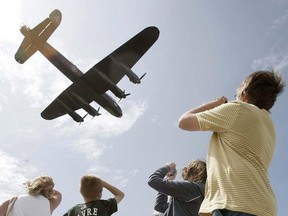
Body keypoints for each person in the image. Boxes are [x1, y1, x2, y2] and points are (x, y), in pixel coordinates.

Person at [178, 70, 285, 216]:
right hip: (263, 206)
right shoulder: (268, 125)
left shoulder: (238, 109)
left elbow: (184, 121)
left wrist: (214, 103)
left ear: (245, 93)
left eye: (241, 85)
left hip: (236, 203)